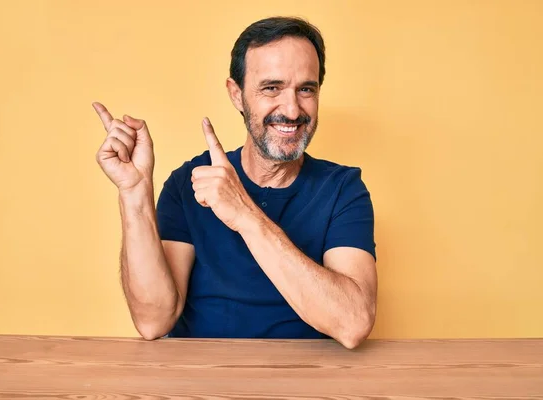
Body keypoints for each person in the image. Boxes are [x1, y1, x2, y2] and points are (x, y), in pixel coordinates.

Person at [93, 17, 377, 349]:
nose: (292, 108)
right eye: (272, 88)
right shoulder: (190, 183)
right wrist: (134, 192)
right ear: (237, 94)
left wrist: (245, 215)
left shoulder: (343, 188)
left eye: (306, 89)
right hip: (203, 382)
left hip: (305, 382)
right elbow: (154, 321)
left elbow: (353, 323)